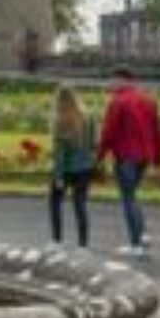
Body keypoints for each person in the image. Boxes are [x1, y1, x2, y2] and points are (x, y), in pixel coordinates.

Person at [97, 66, 160, 258]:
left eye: (113, 80)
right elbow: (157, 131)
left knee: (128, 197)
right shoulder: (148, 100)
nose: (110, 84)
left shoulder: (118, 102)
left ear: (121, 80)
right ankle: (141, 234)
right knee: (132, 195)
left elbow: (109, 132)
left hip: (126, 155)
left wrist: (100, 156)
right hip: (144, 156)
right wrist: (157, 160)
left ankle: (137, 241)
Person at [48, 84, 96, 248]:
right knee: (80, 205)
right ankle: (83, 244)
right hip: (85, 167)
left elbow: (60, 153)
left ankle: (57, 240)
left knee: (54, 203)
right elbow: (93, 144)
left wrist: (58, 176)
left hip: (68, 168)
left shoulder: (60, 120)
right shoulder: (88, 117)